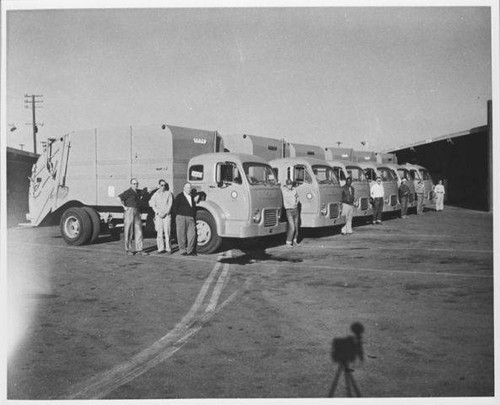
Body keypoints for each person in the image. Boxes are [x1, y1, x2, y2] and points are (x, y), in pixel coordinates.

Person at [118, 178, 149, 256]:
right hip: (129, 211)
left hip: (137, 211)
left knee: (139, 230)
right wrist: (124, 207)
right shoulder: (128, 192)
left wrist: (157, 187)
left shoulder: (138, 192)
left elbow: (148, 190)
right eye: (134, 184)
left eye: (137, 184)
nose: (136, 185)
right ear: (131, 184)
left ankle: (139, 249)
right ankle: (128, 249)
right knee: (129, 230)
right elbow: (119, 198)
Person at [173, 182, 199, 256]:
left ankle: (190, 250)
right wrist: (178, 216)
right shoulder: (179, 196)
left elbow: (202, 193)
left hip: (190, 218)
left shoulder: (192, 197)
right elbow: (175, 207)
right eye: (187, 187)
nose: (189, 189)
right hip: (181, 217)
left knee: (192, 234)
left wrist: (198, 196)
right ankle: (182, 250)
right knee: (181, 234)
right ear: (184, 188)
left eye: (190, 187)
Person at [149, 179, 174, 254]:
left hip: (167, 215)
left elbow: (170, 204)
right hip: (159, 216)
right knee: (159, 233)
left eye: (164, 185)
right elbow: (152, 204)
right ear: (159, 185)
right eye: (162, 185)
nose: (163, 187)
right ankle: (160, 248)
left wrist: (166, 212)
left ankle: (168, 248)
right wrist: (158, 213)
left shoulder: (169, 193)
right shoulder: (155, 194)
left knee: (167, 232)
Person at [281, 179, 300, 247]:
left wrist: (296, 203)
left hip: (295, 210)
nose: (290, 186)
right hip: (288, 211)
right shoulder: (283, 191)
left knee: (296, 226)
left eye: (291, 184)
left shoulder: (294, 190)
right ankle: (288, 242)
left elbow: (298, 197)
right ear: (286, 185)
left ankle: (295, 241)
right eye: (288, 184)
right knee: (292, 227)